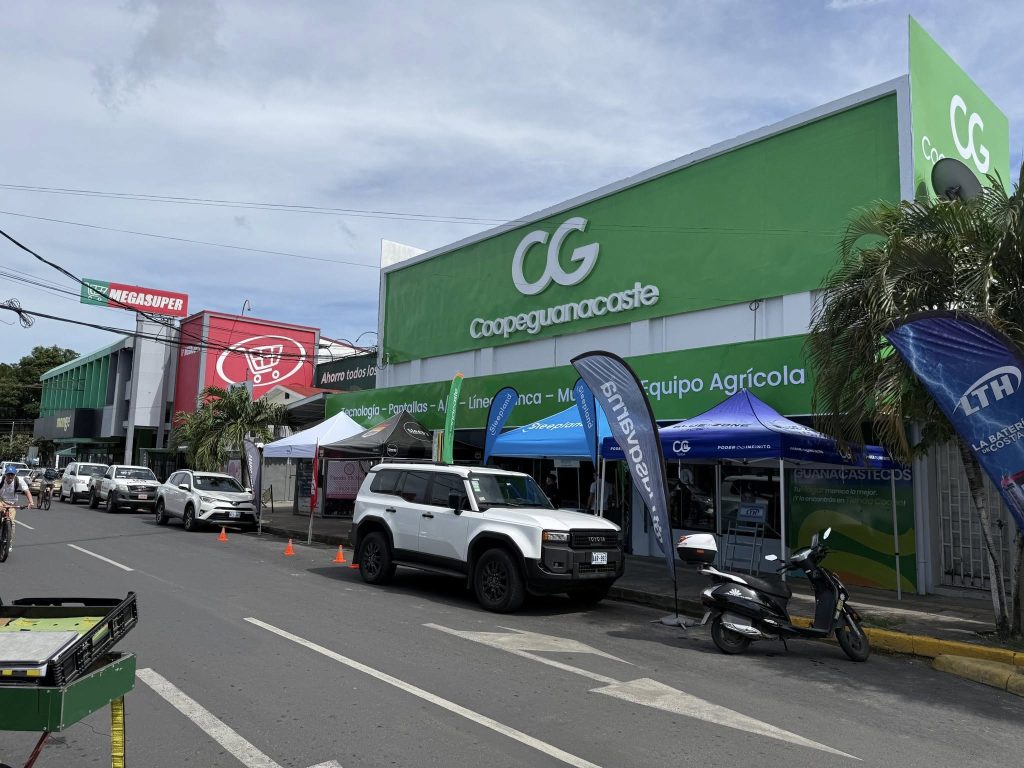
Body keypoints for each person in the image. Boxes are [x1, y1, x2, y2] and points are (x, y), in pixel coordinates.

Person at [0, 466, 34, 550]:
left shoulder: (19, 481)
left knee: (12, 523)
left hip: (12, 504)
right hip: (1, 500)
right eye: (8, 474)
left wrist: (31, 502)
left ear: (15, 475)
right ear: (5, 474)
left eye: (12, 474)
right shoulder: (1, 479)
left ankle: (9, 542)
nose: (10, 476)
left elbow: (27, 491)